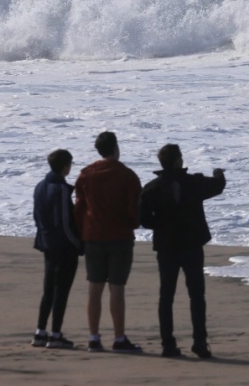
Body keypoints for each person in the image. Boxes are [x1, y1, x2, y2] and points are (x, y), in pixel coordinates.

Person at [138, 143, 226, 359]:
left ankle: (168, 344)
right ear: (178, 161)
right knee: (196, 295)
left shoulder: (152, 187)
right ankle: (200, 343)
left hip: (167, 246)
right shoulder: (194, 183)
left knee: (166, 296)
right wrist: (218, 173)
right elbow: (217, 186)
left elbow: (143, 217)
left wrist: (159, 224)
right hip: (191, 245)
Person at [73, 131, 143, 353]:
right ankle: (119, 338)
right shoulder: (127, 175)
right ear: (116, 148)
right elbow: (134, 210)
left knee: (94, 287)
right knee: (117, 288)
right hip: (119, 237)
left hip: (93, 236)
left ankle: (94, 337)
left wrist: (79, 233)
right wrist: (133, 223)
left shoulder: (86, 174)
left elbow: (79, 208)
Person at [31, 148, 83, 350]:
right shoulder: (60, 189)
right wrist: (78, 244)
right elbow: (64, 223)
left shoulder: (40, 186)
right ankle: (56, 335)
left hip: (46, 243)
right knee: (61, 291)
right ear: (65, 166)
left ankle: (40, 331)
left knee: (48, 290)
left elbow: (36, 217)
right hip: (63, 246)